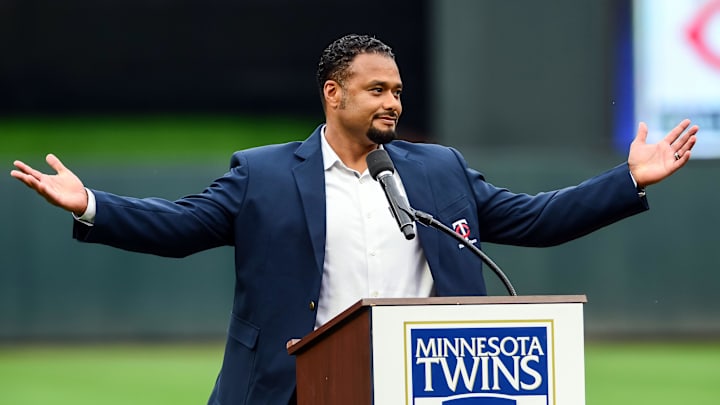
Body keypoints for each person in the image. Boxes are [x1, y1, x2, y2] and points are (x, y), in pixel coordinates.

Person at [10, 34, 698, 405]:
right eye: (377, 90)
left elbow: (537, 218)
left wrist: (628, 179)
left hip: (423, 385)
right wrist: (93, 203)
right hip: (298, 389)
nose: (392, 102)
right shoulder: (266, 174)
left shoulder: (440, 170)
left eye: (398, 90)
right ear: (333, 93)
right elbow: (182, 226)